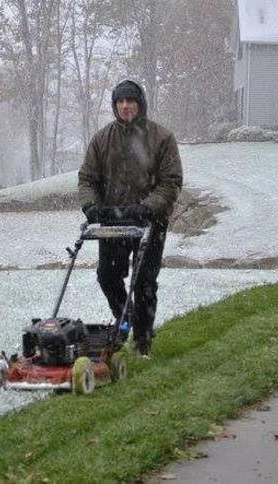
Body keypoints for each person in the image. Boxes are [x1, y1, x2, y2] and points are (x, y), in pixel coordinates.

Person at [78, 79, 183, 357]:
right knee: (107, 277)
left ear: (140, 104)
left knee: (144, 282)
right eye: (120, 102)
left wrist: (148, 207)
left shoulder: (161, 138)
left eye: (130, 101)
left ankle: (142, 344)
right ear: (114, 105)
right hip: (114, 222)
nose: (125, 106)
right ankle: (127, 320)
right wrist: (91, 207)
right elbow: (87, 179)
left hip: (150, 221)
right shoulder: (102, 140)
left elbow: (170, 182)